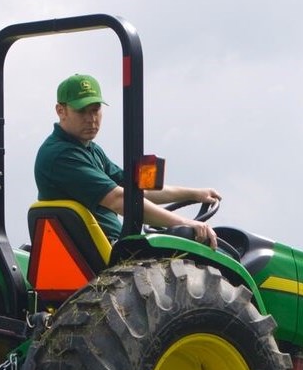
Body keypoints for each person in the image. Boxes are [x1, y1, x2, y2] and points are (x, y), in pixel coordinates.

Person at [34, 73, 221, 248]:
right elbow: (119, 200)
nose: (91, 119)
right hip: (94, 254)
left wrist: (194, 194)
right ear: (61, 110)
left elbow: (136, 190)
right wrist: (185, 223)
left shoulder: (89, 149)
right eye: (82, 111)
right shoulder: (61, 155)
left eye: (95, 110)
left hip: (106, 248)